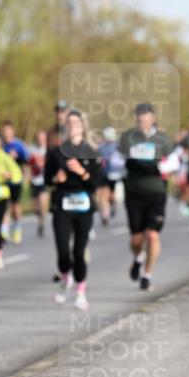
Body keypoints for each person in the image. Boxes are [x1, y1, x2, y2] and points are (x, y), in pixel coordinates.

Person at [46, 110, 100, 310]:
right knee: (62, 252)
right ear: (66, 127)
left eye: (77, 122)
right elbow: (46, 179)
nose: (73, 126)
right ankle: (64, 279)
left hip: (84, 207)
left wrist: (82, 172)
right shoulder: (56, 151)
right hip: (62, 205)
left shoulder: (91, 152)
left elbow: (96, 184)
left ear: (83, 126)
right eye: (69, 123)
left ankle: (80, 292)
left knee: (79, 252)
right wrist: (55, 179)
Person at [121, 102, 175, 291]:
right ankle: (138, 257)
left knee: (152, 235)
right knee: (136, 240)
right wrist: (127, 164)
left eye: (145, 116)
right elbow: (116, 159)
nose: (142, 119)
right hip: (134, 193)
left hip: (156, 192)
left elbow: (175, 161)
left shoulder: (162, 139)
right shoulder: (127, 138)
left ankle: (147, 274)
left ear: (152, 118)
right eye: (139, 116)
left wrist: (156, 168)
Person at [0, 121, 28, 244]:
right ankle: (4, 230)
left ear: (12, 131)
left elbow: (27, 161)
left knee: (15, 205)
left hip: (16, 180)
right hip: (3, 180)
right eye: (4, 131)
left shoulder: (19, 145)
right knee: (5, 205)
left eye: (8, 131)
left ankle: (17, 227)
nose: (6, 134)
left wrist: (26, 177)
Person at [96, 126, 125, 225]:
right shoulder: (102, 147)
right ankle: (108, 211)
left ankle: (106, 213)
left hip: (111, 174)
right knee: (105, 195)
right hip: (104, 174)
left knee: (105, 195)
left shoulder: (117, 146)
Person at [28, 130, 51, 237]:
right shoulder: (32, 150)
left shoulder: (49, 150)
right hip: (34, 181)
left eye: (43, 138)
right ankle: (40, 217)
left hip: (44, 181)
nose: (41, 140)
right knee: (35, 209)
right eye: (39, 138)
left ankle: (42, 223)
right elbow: (28, 164)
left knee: (43, 202)